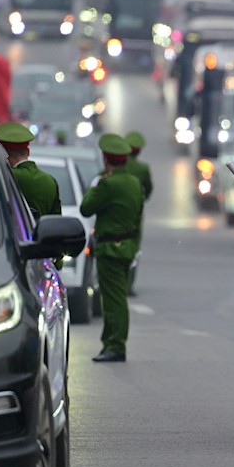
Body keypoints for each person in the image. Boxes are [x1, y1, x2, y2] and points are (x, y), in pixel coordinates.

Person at [80, 133, 144, 362]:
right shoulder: (134, 183)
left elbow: (86, 208)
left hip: (110, 249)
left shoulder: (108, 184)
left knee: (113, 300)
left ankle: (115, 345)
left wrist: (96, 185)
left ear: (106, 159)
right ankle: (111, 343)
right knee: (117, 297)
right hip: (127, 247)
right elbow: (138, 215)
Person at [0, 121, 62, 218]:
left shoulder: (5, 176)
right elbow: (56, 219)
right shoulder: (50, 180)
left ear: (3, 153)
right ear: (28, 152)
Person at [123, 131, 152, 296]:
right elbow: (148, 189)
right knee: (133, 248)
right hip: (135, 212)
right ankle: (128, 284)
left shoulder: (117, 167)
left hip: (115, 212)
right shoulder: (142, 169)